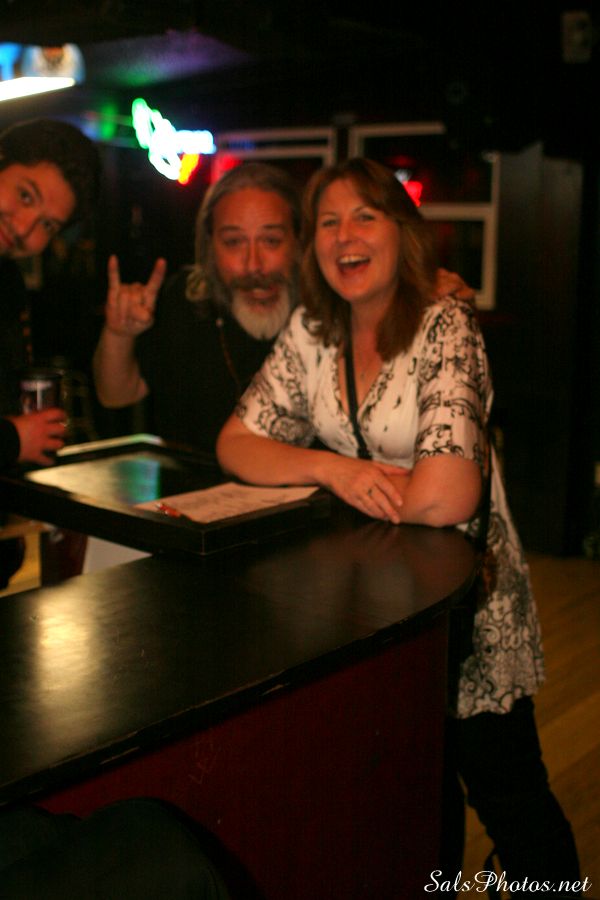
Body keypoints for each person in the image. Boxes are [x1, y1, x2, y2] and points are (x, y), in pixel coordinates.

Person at [216, 158, 582, 896]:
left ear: (402, 232)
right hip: (370, 608)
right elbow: (237, 443)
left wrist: (347, 481)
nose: (344, 235)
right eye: (327, 222)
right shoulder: (311, 330)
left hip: (467, 602)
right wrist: (333, 470)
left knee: (508, 793)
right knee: (411, 795)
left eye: (365, 216)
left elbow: (448, 495)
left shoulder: (445, 322)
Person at [93, 161, 473, 458]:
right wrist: (119, 333)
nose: (254, 264)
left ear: (299, 241)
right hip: (187, 508)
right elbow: (116, 394)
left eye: (271, 241)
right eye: (234, 242)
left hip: (313, 518)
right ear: (209, 247)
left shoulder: (327, 311)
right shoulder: (186, 300)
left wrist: (415, 287)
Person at [0, 117, 101, 588]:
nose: (24, 228)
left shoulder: (8, 283)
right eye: (25, 195)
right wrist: (11, 439)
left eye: (47, 225)